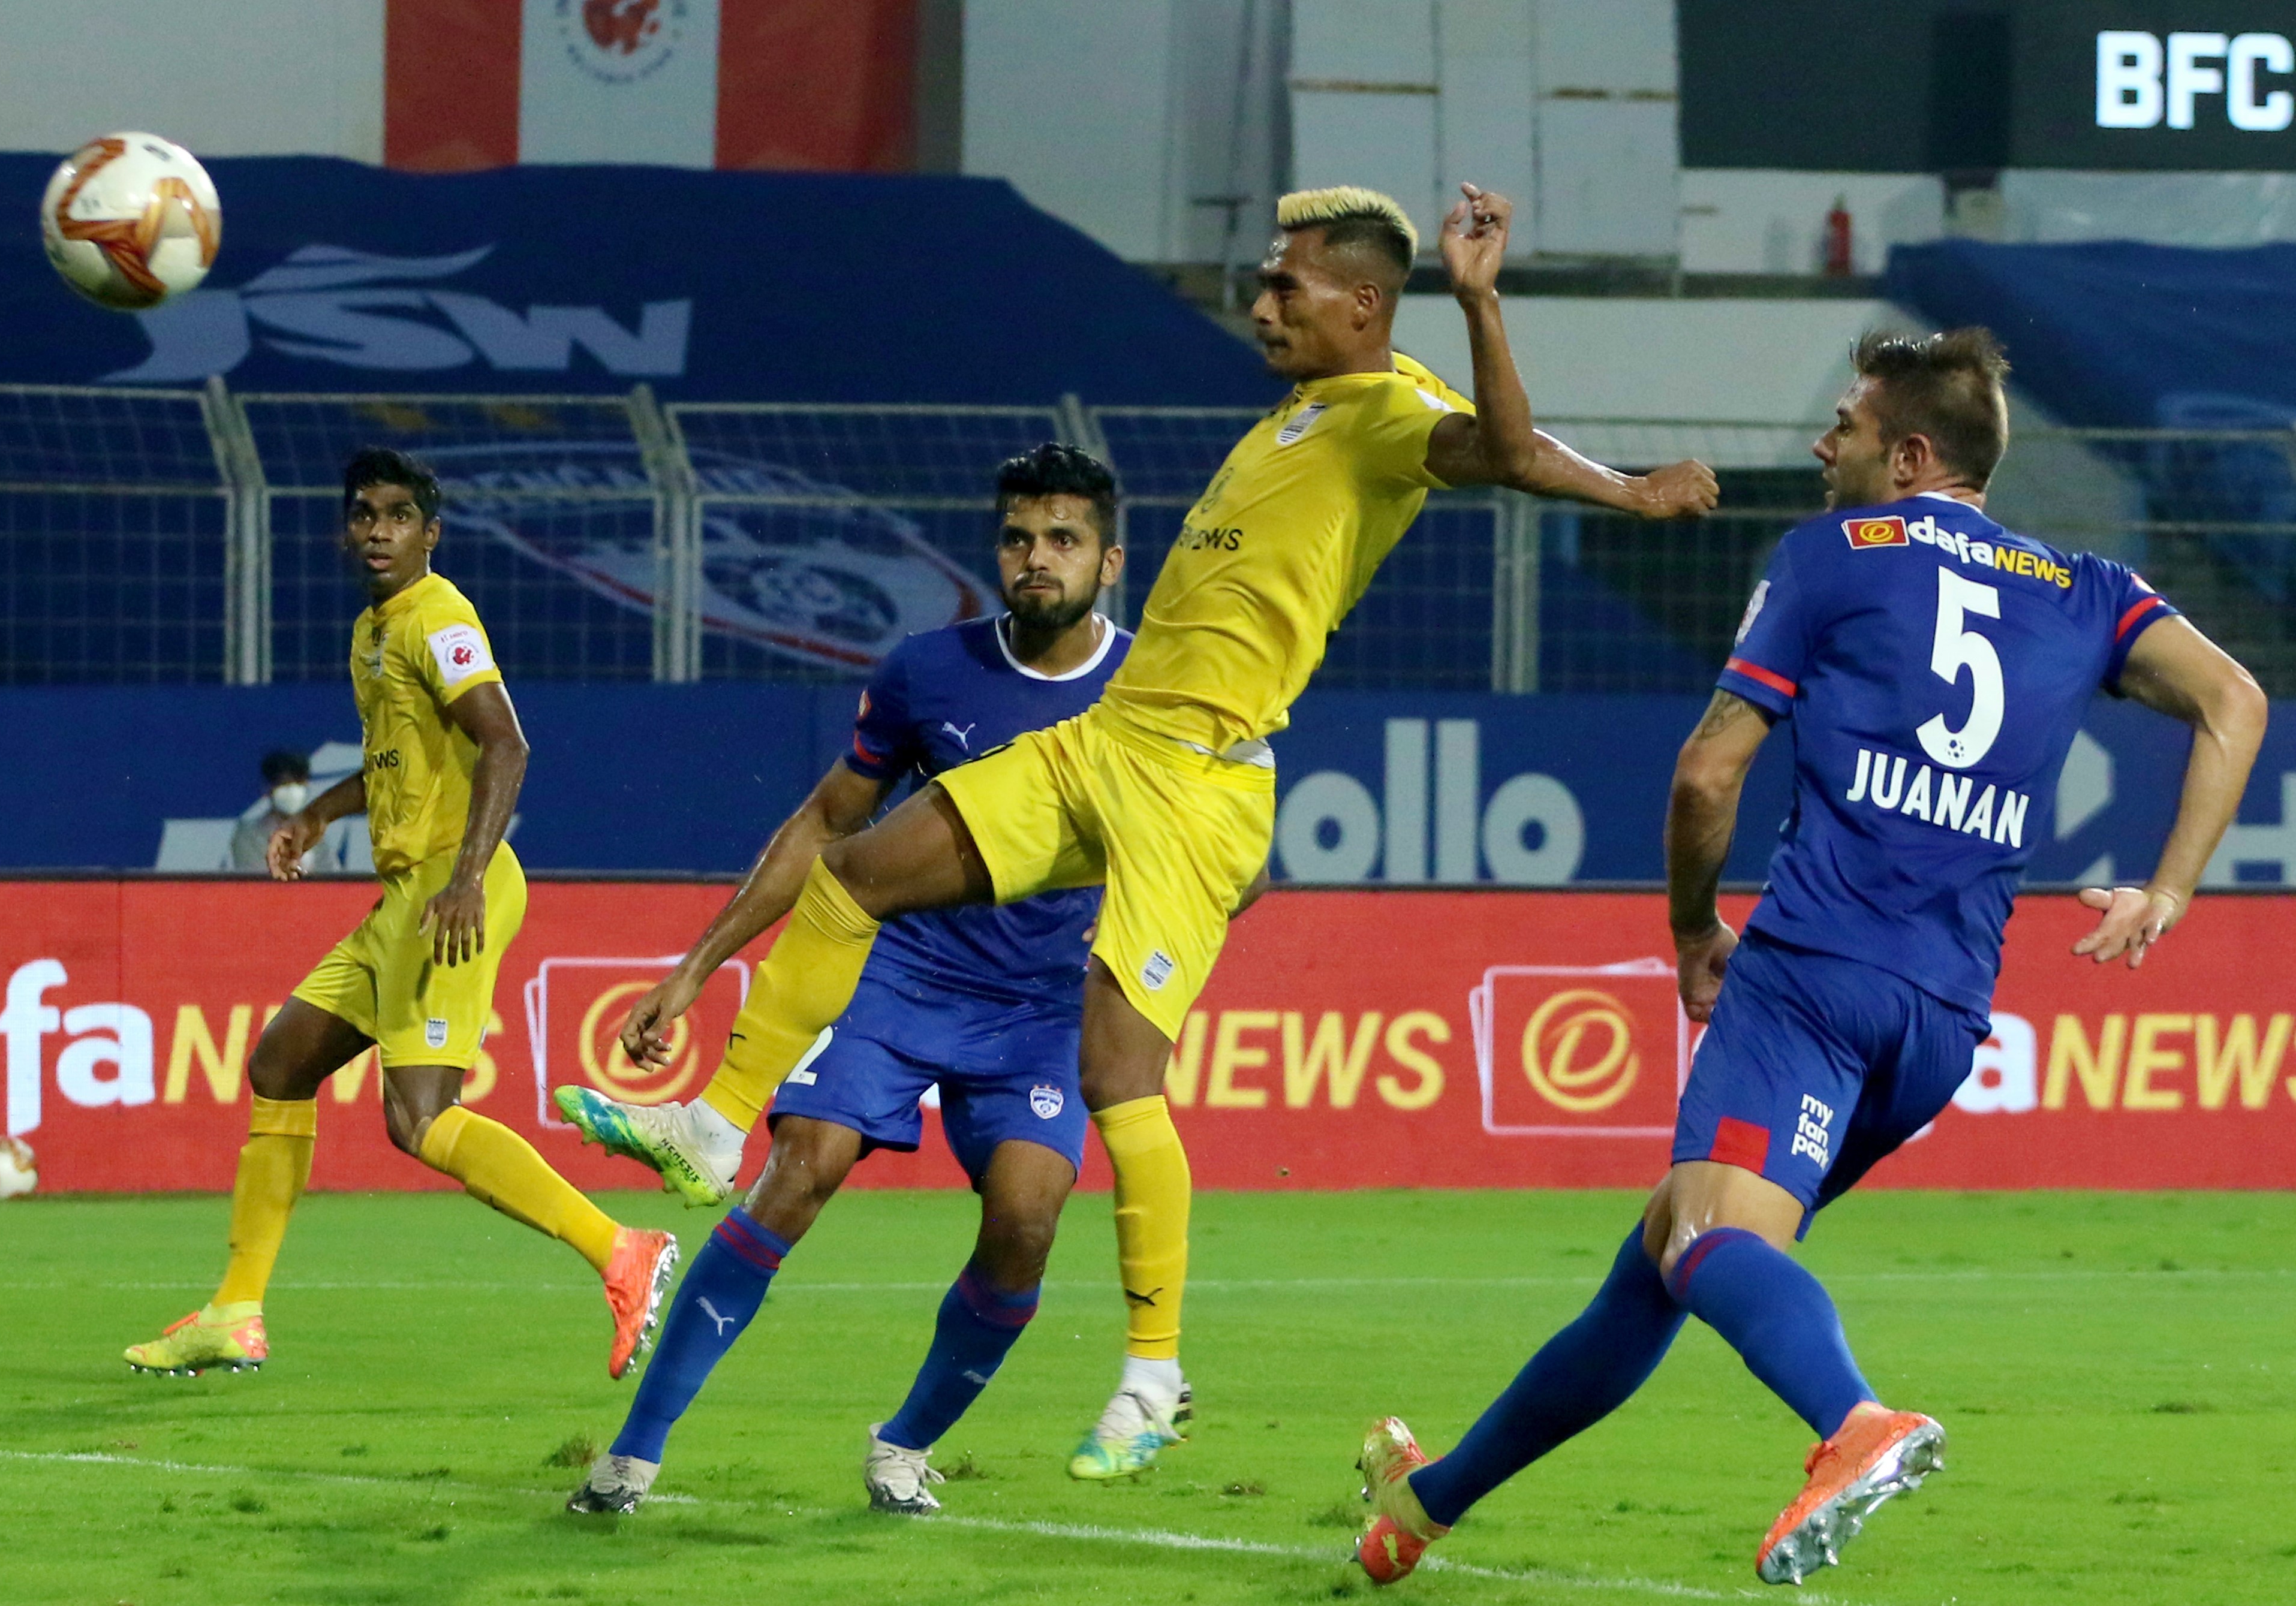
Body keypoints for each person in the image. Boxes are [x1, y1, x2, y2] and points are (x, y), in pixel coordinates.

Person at [603, 181, 1719, 1478]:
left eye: (1285, 287)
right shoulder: (1312, 408)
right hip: (1110, 738)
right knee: (853, 874)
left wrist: (1522, 356)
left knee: (1118, 1075)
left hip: (1195, 777)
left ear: (1362, 303)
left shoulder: (1392, 414)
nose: (1259, 304)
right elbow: (1514, 446)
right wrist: (1625, 479)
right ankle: (713, 1119)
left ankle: (1152, 1373)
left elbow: (1510, 453)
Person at [1349, 327, 2268, 1587]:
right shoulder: (2088, 587)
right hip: (1945, 1021)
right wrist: (2168, 891)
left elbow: (1705, 772)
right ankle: (1426, 1505)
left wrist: (1689, 930)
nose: (1818, 442)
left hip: (1813, 974)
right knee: (1667, 1260)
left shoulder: (1832, 556)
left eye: (1843, 422)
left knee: (1705, 1239)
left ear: (1910, 453)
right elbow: (2238, 703)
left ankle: (1856, 1423)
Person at [561, 444, 1169, 1514]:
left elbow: (1225, 858)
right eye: (1020, 538)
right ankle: (634, 1453)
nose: (1039, 559)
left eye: (1064, 540)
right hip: (903, 972)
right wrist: (701, 964)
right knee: (801, 1165)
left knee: (1029, 1216)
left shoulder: (1152, 691)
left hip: (1039, 1006)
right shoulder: (928, 671)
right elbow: (829, 824)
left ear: (1108, 559)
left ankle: (904, 1444)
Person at [123, 448, 678, 1381]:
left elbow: (506, 743)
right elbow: (389, 762)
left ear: (431, 530)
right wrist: (316, 813)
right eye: (362, 513)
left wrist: (464, 876)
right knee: (279, 1062)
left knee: (420, 1117)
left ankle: (622, 1249)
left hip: (448, 890)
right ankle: (236, 1310)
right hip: (403, 895)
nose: (376, 529)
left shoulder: (442, 616)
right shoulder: (372, 630)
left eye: (396, 514)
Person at [230, 750, 315, 873]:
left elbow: (334, 878)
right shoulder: (249, 835)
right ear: (268, 788)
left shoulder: (316, 831)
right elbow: (255, 879)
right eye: (285, 783)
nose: (292, 790)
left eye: (298, 782)